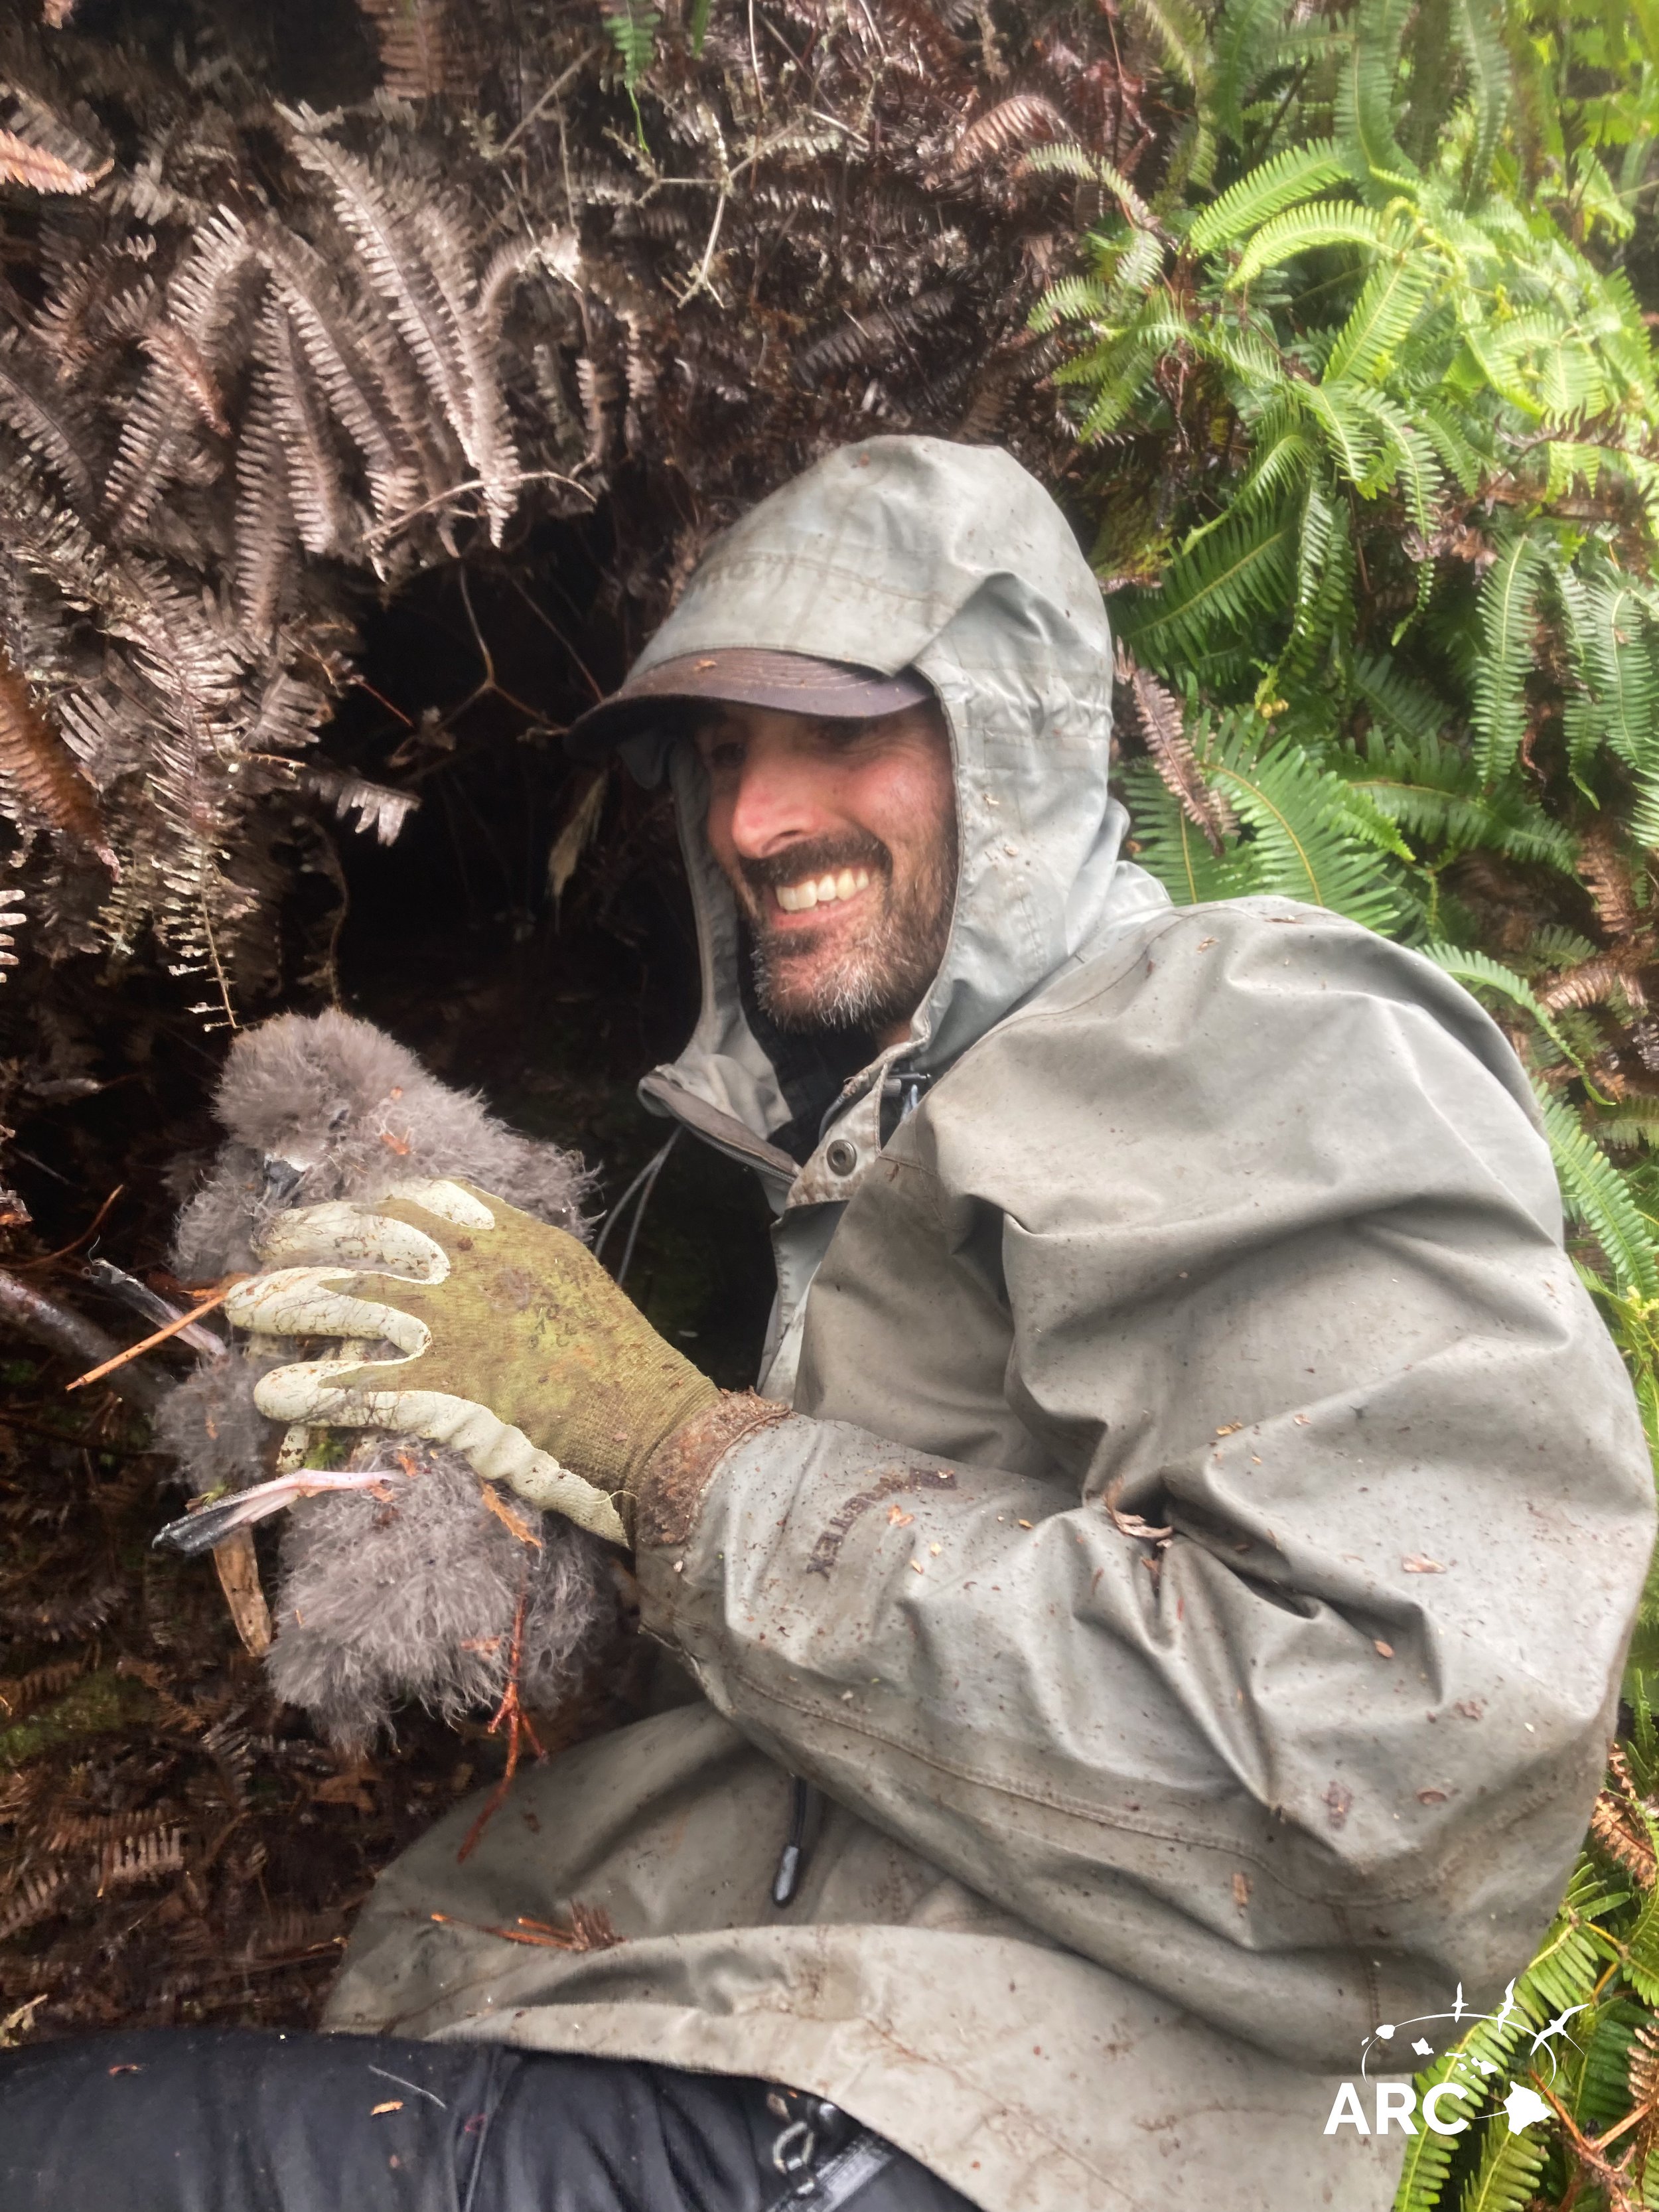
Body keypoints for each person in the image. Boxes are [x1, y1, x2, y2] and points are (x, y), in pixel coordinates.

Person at [2, 435, 1652, 2211]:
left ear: (1009, 727)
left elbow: (1404, 1782)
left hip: (978, 2140)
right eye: (720, 755)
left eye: (840, 733)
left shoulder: (1257, 1029)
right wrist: (510, 1550)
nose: (749, 820)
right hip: (804, 2056)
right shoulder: (888, 1137)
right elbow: (906, 1686)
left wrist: (666, 1452)